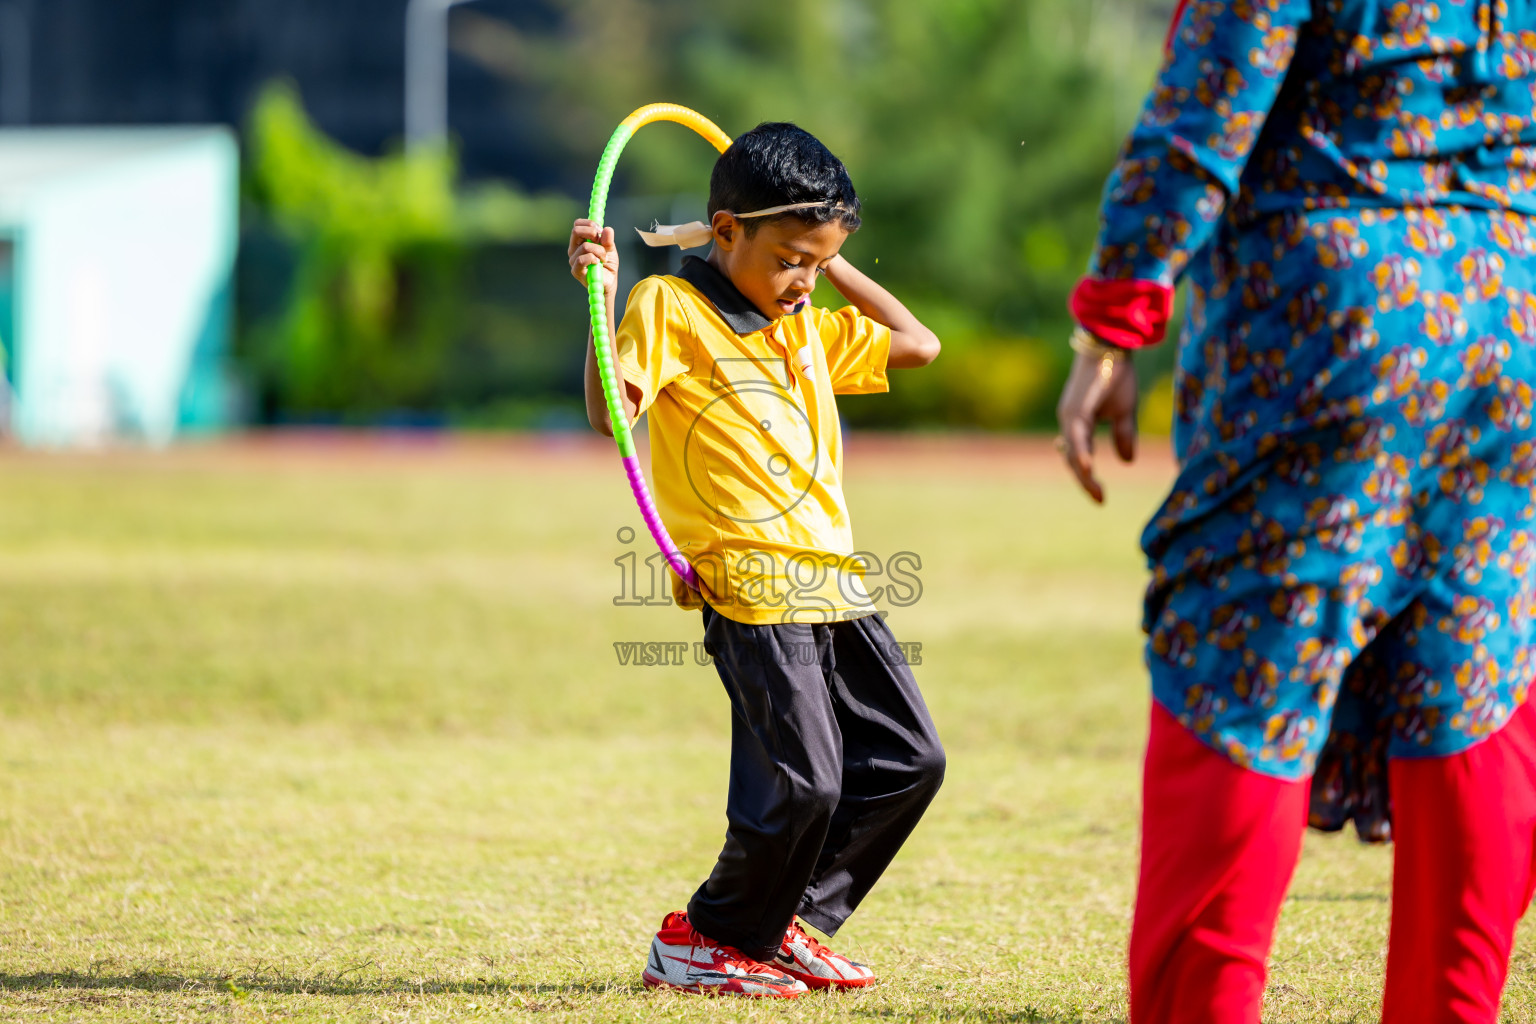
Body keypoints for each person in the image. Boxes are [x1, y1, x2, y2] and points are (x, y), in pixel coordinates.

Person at [1056, 1, 1536, 1021]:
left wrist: (1114, 319)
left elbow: (1203, 117)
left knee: (1240, 684)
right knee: (1473, 681)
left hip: (1332, 324)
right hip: (1514, 320)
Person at [567, 121, 946, 998]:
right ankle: (706, 937)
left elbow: (919, 342)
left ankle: (785, 927)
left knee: (908, 760)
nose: (804, 281)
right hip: (748, 578)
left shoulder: (804, 321)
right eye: (789, 258)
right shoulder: (672, 306)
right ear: (724, 229)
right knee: (804, 780)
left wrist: (821, 245)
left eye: (818, 262)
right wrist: (603, 293)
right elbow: (610, 417)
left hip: (835, 580)